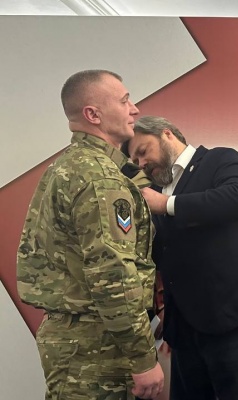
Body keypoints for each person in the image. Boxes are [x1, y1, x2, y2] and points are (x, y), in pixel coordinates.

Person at [16, 69, 164, 400]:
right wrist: (142, 358)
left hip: (79, 341)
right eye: (124, 100)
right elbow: (112, 273)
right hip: (97, 346)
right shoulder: (101, 179)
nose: (135, 109)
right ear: (93, 115)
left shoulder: (69, 165)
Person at [123, 116, 238, 400]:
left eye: (143, 152)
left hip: (237, 319)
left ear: (167, 134)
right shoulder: (156, 191)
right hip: (184, 330)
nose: (141, 164)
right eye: (136, 161)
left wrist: (167, 205)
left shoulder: (220, 159)